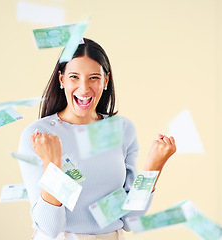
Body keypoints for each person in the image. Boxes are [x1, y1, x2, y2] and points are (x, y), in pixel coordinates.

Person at [17, 38, 176, 240]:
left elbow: (130, 219)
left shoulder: (123, 129)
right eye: (74, 77)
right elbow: (50, 227)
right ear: (61, 79)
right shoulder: (38, 135)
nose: (84, 89)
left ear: (106, 80)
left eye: (94, 78)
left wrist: (155, 165)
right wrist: (52, 165)